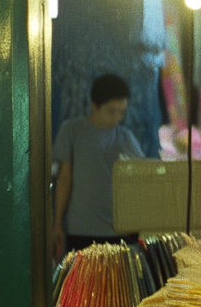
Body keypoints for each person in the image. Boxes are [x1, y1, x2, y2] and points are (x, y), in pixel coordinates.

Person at [52, 74, 144, 259]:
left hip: (119, 232)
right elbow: (64, 180)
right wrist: (57, 223)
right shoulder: (72, 131)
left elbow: (141, 181)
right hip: (82, 231)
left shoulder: (126, 138)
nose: (117, 118)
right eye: (111, 111)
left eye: (121, 112)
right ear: (94, 106)